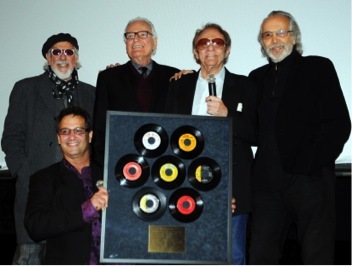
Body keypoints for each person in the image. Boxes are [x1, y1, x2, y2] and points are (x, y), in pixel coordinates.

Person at [248, 10, 351, 265]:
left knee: (317, 257)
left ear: (294, 37)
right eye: (268, 35)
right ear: (262, 42)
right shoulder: (256, 78)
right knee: (260, 256)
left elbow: (339, 124)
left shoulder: (318, 67)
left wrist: (310, 163)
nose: (275, 40)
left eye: (281, 32)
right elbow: (249, 128)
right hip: (266, 187)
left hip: (309, 183)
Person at [165, 23, 257, 265]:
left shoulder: (246, 85)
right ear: (196, 52)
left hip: (230, 189)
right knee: (185, 253)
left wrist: (228, 114)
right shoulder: (178, 85)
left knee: (232, 256)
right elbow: (167, 132)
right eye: (203, 43)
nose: (210, 48)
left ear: (226, 50)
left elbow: (256, 132)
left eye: (217, 42)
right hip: (184, 183)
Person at [1, 33, 95, 264]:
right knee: (29, 257)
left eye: (69, 52)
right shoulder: (25, 88)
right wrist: (24, 173)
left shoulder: (91, 93)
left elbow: (98, 139)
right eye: (57, 52)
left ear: (76, 57)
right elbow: (11, 138)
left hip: (76, 199)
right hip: (36, 195)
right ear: (47, 56)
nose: (63, 57)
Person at [24, 106, 108, 265]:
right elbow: (35, 228)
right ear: (58, 138)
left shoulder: (111, 174)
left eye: (78, 130)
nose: (71, 136)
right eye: (65, 131)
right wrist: (87, 209)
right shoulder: (44, 179)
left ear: (90, 136)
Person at [92, 17, 180, 167]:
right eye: (130, 36)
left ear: (155, 42)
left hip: (164, 163)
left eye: (143, 34)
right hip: (122, 163)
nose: (136, 39)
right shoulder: (108, 78)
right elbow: (100, 129)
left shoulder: (173, 77)